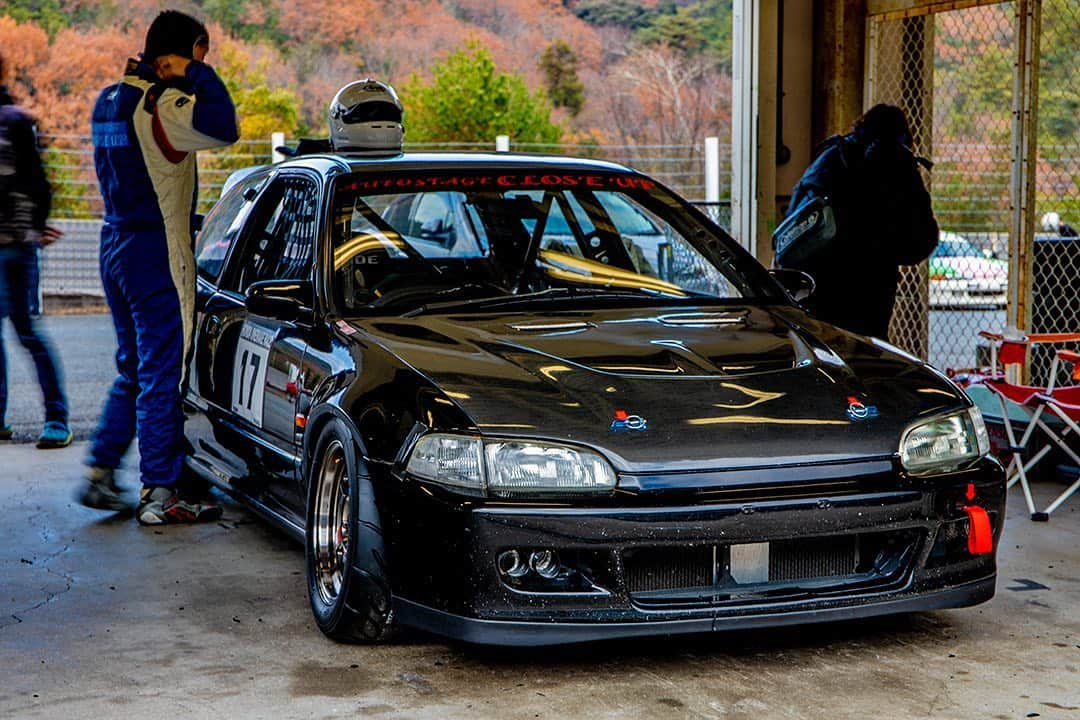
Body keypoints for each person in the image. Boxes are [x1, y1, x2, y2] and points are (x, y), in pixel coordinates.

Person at [78, 10, 239, 524]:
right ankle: (160, 492)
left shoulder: (108, 100)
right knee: (163, 371)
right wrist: (192, 77)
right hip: (154, 253)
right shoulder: (161, 104)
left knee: (134, 367)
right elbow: (223, 127)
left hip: (115, 245)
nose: (203, 63)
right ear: (184, 52)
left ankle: (100, 470)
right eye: (202, 54)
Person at [777, 104, 939, 339]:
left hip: (819, 283)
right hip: (873, 285)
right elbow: (921, 238)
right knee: (867, 353)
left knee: (824, 350)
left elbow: (794, 226)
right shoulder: (898, 164)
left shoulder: (830, 158)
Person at [0, 51, 71, 448]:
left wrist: (35, 224)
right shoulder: (18, 122)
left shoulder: (15, 122)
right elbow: (40, 183)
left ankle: (54, 418)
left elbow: (38, 183)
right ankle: (55, 421)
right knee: (26, 332)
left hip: (15, 248)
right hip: (19, 245)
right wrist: (36, 224)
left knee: (24, 331)